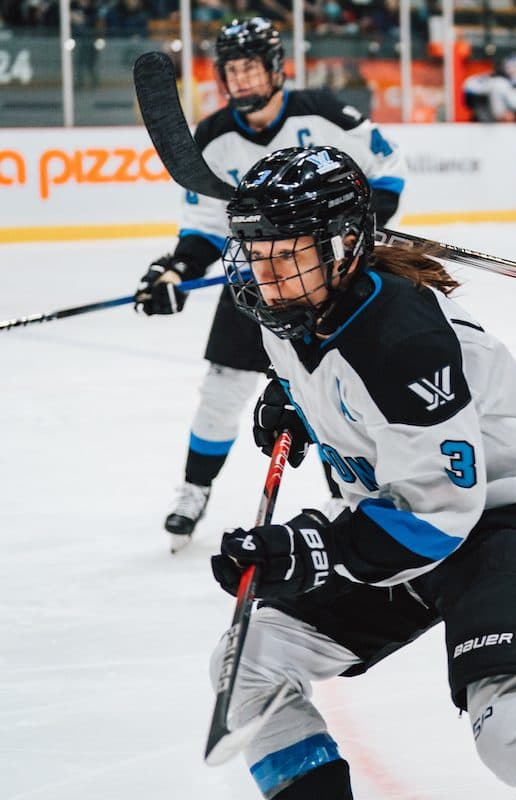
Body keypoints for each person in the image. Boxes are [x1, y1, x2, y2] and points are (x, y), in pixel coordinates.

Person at [208, 145, 516, 800]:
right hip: (403, 521)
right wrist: (297, 404)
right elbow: (328, 379)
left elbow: (437, 516)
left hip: (510, 520)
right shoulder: (294, 310)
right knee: (250, 660)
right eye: (259, 253)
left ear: (343, 245)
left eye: (288, 252)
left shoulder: (398, 341)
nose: (268, 275)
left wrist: (311, 548)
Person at [133, 17, 407, 552]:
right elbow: (206, 228)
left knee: (336, 390)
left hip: (329, 284)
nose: (241, 79)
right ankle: (194, 490)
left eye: (250, 66)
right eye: (231, 69)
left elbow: (388, 168)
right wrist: (177, 271)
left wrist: (356, 229)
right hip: (252, 283)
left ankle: (344, 495)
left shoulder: (324, 113)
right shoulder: (212, 137)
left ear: (275, 67)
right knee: (220, 391)